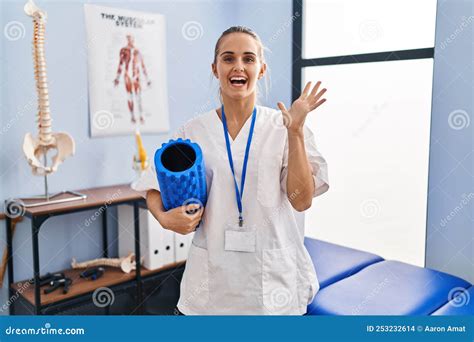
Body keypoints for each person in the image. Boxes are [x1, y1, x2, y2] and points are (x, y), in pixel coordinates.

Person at [133, 26, 329, 315]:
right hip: (212, 283)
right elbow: (153, 184)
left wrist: (296, 132)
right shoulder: (194, 130)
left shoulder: (284, 126)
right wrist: (163, 218)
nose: (239, 66)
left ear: (261, 69)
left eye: (249, 59)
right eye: (229, 58)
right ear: (215, 68)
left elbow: (301, 199)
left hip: (273, 283)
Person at [114, 34, 151, 124]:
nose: (130, 41)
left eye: (132, 39)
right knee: (130, 96)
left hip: (136, 76)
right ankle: (132, 116)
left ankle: (141, 116)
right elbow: (121, 64)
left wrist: (147, 79)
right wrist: (117, 78)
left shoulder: (137, 51)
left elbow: (142, 65)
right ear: (127, 39)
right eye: (129, 39)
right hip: (127, 76)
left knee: (138, 97)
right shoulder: (124, 50)